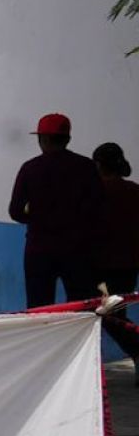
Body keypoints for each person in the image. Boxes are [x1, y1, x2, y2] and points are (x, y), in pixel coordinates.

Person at [8, 113, 101, 307]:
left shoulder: (30, 169)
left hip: (39, 249)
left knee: (39, 308)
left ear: (42, 139)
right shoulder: (87, 168)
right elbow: (98, 207)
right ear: (67, 139)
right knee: (80, 308)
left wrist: (37, 217)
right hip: (78, 250)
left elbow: (15, 211)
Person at [92, 141, 139, 373]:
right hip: (128, 265)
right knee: (116, 315)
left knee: (106, 315)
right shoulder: (134, 191)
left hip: (102, 269)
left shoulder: (96, 192)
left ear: (99, 165)